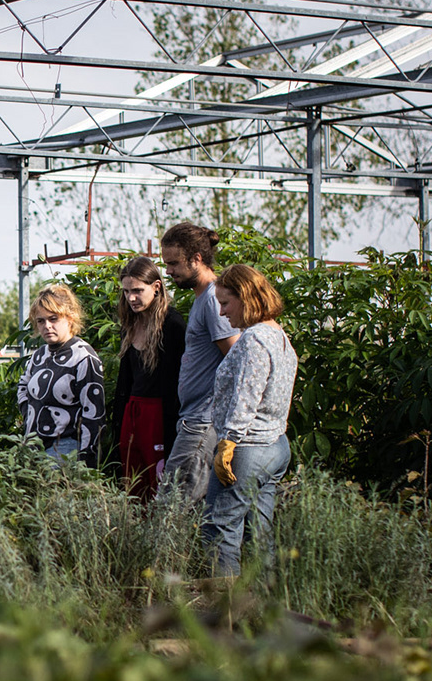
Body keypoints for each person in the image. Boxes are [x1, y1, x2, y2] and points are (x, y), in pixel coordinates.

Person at [203, 264, 298, 577]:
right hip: (275, 445)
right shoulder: (279, 335)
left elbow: (247, 395)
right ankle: (265, 605)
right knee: (260, 531)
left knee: (221, 528)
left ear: (246, 298)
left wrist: (228, 441)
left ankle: (225, 611)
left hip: (247, 448)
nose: (222, 312)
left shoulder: (254, 340)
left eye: (226, 303)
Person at [162, 222, 239, 502]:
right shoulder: (202, 299)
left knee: (173, 504)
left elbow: (236, 357)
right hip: (195, 416)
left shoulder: (212, 300)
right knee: (193, 506)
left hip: (203, 419)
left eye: (173, 263)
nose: (169, 271)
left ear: (196, 259)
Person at [108, 255, 185, 501]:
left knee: (160, 484)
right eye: (126, 291)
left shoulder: (172, 324)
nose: (131, 298)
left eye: (138, 290)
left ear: (156, 287)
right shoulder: (129, 324)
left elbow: (179, 379)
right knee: (133, 485)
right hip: (133, 411)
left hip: (160, 413)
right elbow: (126, 379)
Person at [18, 284, 104, 466]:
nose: (47, 326)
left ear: (70, 318)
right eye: (41, 321)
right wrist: (30, 418)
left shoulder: (83, 357)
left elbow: (94, 414)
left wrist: (87, 460)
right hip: (33, 445)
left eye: (53, 319)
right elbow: (23, 387)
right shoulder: (39, 355)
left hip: (65, 446)